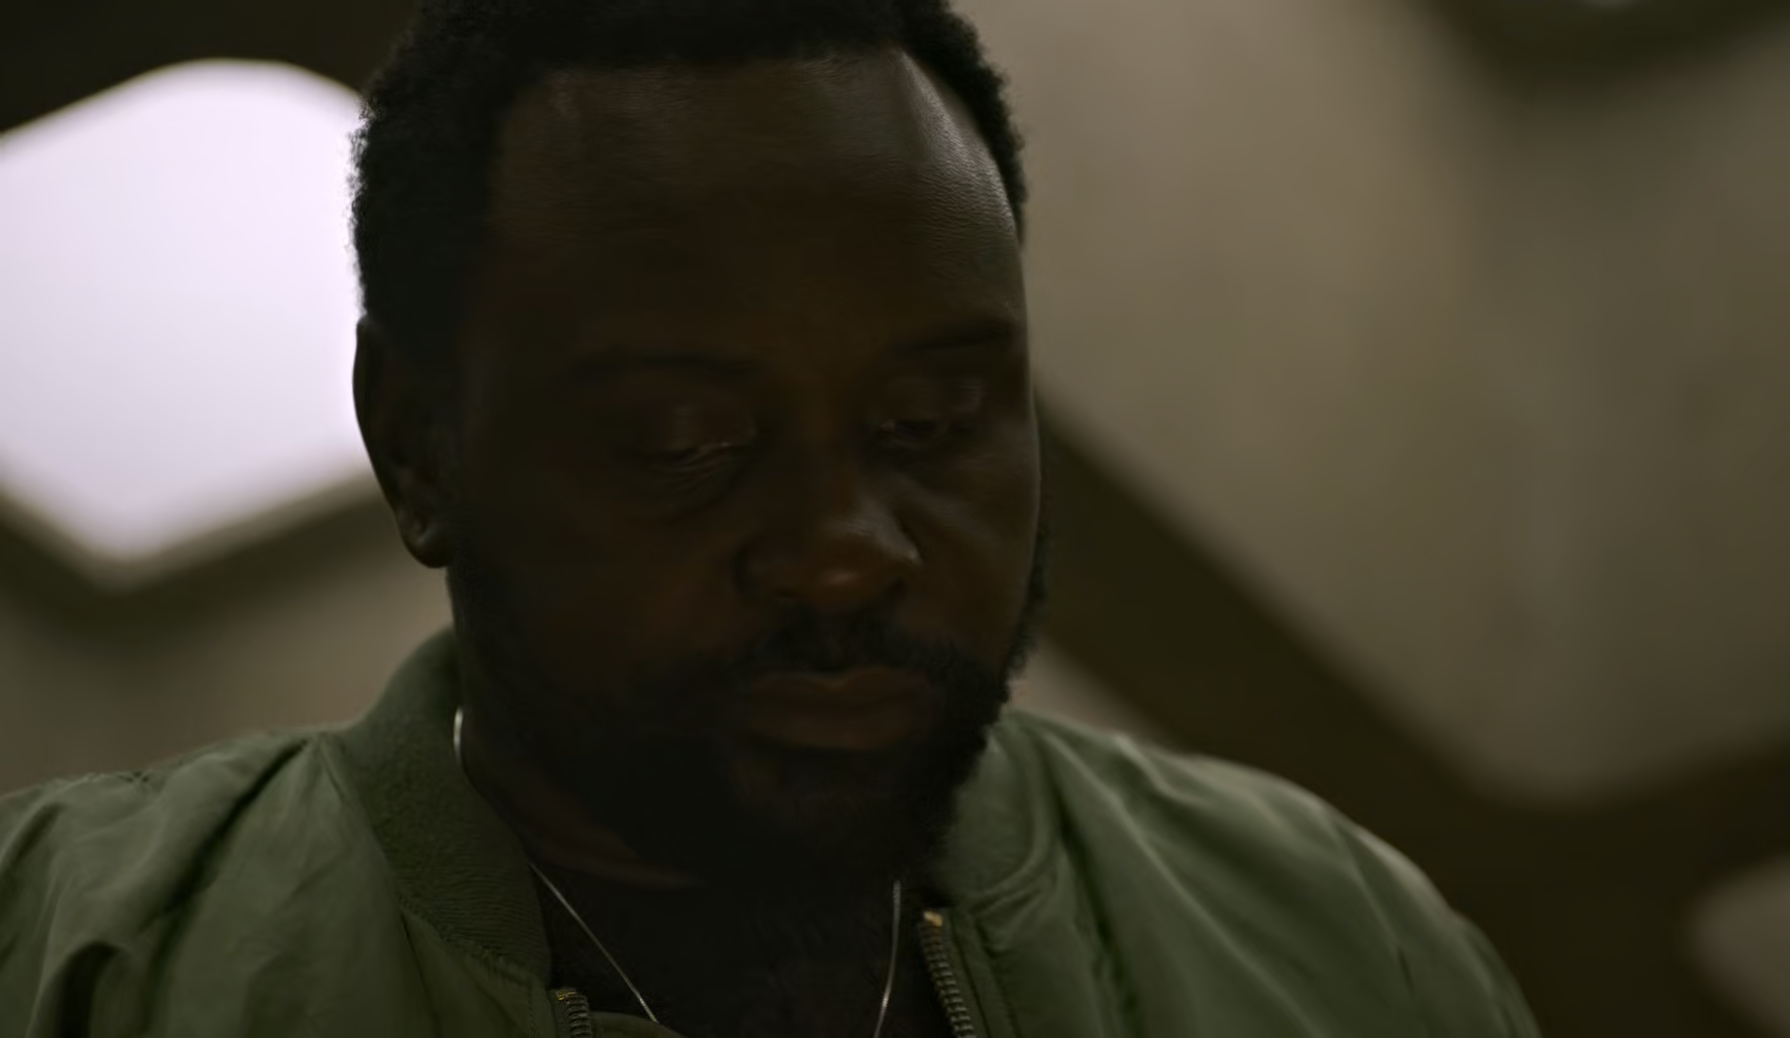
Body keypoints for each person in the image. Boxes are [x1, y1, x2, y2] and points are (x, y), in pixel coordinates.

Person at [0, 0, 1540, 1034]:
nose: (847, 547)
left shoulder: (1338, 946)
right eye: (685, 443)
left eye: (929, 423)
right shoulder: (67, 954)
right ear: (417, 447)